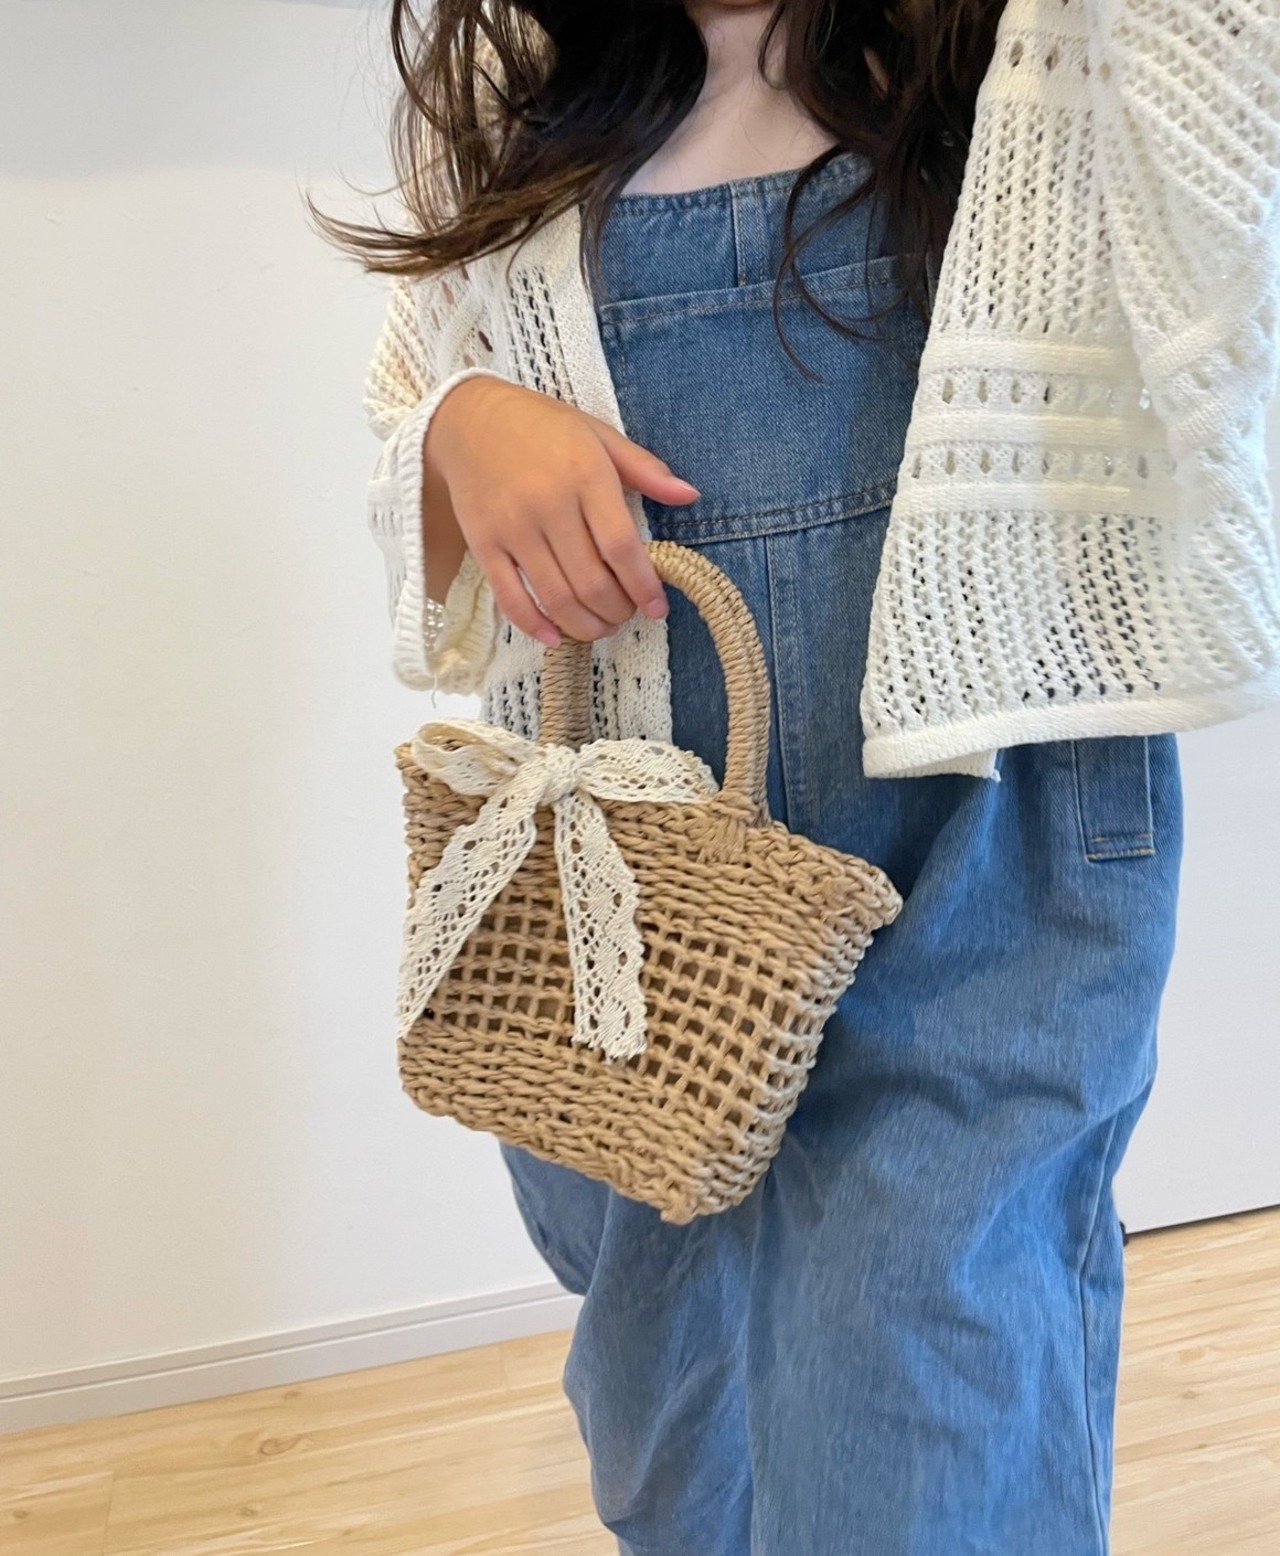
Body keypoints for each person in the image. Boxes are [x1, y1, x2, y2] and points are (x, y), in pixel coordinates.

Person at [314, 1, 1280, 1550]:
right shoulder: (524, 88)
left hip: (990, 842)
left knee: (920, 1402)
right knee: (672, 1430)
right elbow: (409, 410)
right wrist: (462, 432)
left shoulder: (1042, 49)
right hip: (634, 892)